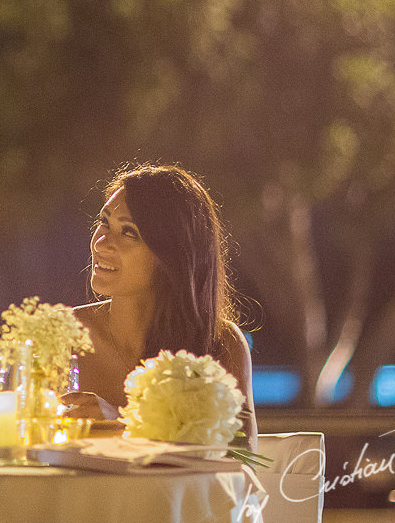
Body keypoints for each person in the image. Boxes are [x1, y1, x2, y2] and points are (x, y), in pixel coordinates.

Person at [64, 163, 257, 448]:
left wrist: (121, 424)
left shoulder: (220, 343)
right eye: (104, 222)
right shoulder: (62, 337)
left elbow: (242, 457)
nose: (101, 243)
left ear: (172, 256)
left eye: (128, 233)